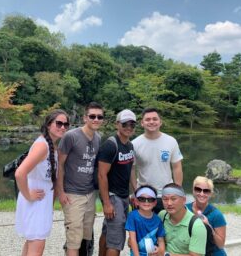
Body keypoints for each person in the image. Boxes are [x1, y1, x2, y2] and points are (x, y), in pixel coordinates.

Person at [15, 109, 70, 256]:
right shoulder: (42, 146)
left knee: (32, 243)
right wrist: (28, 195)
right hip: (35, 201)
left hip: (41, 202)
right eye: (59, 123)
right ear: (48, 125)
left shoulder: (51, 146)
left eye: (66, 124)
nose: (63, 127)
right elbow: (20, 173)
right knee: (37, 247)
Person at [57, 102, 104, 256]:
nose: (96, 119)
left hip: (90, 193)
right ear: (85, 118)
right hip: (72, 194)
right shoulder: (71, 136)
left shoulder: (98, 138)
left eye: (99, 117)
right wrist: (61, 192)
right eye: (92, 116)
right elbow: (60, 165)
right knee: (73, 238)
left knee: (86, 234)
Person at [98, 109, 137, 256]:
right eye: (125, 124)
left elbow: (131, 170)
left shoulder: (130, 145)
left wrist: (136, 193)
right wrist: (107, 203)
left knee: (108, 231)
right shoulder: (110, 145)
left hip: (124, 195)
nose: (128, 127)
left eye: (132, 124)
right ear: (117, 124)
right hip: (113, 196)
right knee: (117, 238)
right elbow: (101, 175)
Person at [132, 107, 183, 214]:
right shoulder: (135, 144)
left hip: (166, 194)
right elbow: (131, 169)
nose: (151, 122)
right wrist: (135, 192)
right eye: (148, 119)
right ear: (142, 123)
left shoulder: (171, 141)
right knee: (142, 228)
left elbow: (177, 167)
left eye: (155, 119)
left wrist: (177, 191)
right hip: (143, 194)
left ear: (160, 122)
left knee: (167, 227)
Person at [159, 183, 207, 256]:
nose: (169, 203)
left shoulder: (197, 225)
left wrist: (166, 254)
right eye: (165, 199)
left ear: (184, 200)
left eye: (173, 199)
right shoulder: (162, 215)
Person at [186, 176, 227, 256]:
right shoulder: (185, 209)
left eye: (206, 191)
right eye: (198, 189)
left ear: (211, 194)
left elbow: (221, 245)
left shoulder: (216, 215)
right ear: (193, 191)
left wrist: (209, 227)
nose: (202, 194)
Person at [125, 185, 166, 256]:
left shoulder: (158, 220)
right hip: (136, 253)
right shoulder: (132, 216)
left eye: (150, 200)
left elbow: (161, 240)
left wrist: (160, 251)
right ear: (136, 201)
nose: (146, 202)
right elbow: (132, 239)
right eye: (142, 199)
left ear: (155, 203)